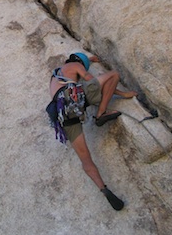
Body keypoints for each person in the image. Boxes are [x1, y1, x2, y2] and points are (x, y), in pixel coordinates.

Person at [47, 52, 137, 211]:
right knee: (113, 75)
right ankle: (101, 113)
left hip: (63, 114)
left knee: (86, 160)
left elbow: (78, 64)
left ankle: (103, 188)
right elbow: (91, 80)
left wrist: (91, 59)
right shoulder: (74, 66)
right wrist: (123, 94)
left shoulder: (56, 76)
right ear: (79, 63)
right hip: (73, 98)